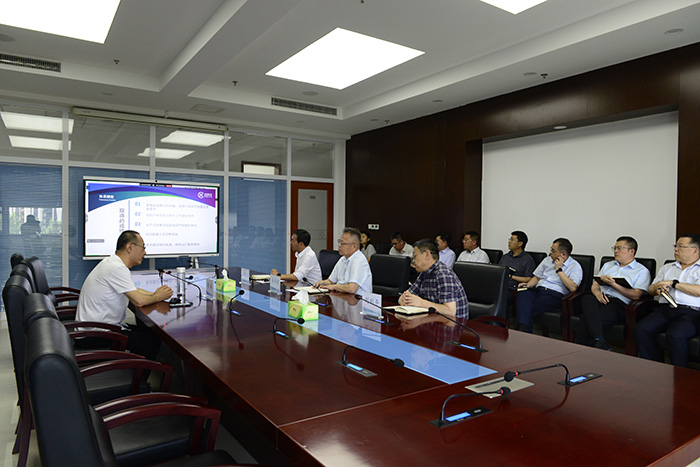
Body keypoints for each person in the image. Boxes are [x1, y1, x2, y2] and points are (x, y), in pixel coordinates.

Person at [75, 230, 173, 360]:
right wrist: (158, 297)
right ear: (129, 247)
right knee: (150, 340)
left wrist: (155, 294)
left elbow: (133, 290)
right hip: (94, 334)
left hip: (95, 329)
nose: (145, 252)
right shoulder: (117, 267)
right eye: (143, 248)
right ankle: (139, 373)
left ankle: (135, 366)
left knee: (149, 334)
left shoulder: (112, 263)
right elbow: (139, 301)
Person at [634, 234, 700, 367]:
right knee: (641, 329)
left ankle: (679, 372)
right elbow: (650, 289)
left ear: (695, 250)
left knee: (675, 334)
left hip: (690, 313)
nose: (676, 249)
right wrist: (657, 289)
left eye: (680, 246)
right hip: (665, 309)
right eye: (675, 246)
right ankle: (654, 367)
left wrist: (674, 284)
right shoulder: (667, 268)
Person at [576, 236, 651, 349]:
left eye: (619, 248)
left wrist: (614, 284)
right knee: (586, 298)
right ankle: (598, 341)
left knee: (585, 318)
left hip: (619, 304)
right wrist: (598, 294)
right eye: (614, 248)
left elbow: (636, 295)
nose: (616, 251)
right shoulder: (608, 265)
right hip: (600, 299)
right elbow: (595, 284)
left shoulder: (642, 271)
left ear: (631, 251)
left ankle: (590, 344)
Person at [516, 238, 582, 333]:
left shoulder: (574, 266)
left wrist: (559, 270)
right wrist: (528, 285)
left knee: (529, 308)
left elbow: (573, 287)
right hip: (538, 290)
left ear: (563, 254)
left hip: (554, 295)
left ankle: (523, 330)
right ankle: (524, 330)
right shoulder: (547, 260)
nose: (550, 253)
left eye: (553, 251)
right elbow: (537, 277)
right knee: (523, 293)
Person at [399, 238, 469, 318]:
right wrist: (405, 300)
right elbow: (403, 297)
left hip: (453, 324)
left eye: (415, 256)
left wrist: (421, 303)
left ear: (427, 254)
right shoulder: (424, 273)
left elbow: (450, 311)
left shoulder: (443, 274)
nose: (413, 261)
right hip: (432, 320)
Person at [315, 227, 373, 295]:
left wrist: (334, 287)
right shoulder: (343, 259)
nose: (339, 245)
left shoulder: (359, 260)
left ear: (354, 246)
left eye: (343, 243)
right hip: (343, 296)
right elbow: (331, 281)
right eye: (339, 242)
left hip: (358, 299)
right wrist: (321, 283)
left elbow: (352, 288)